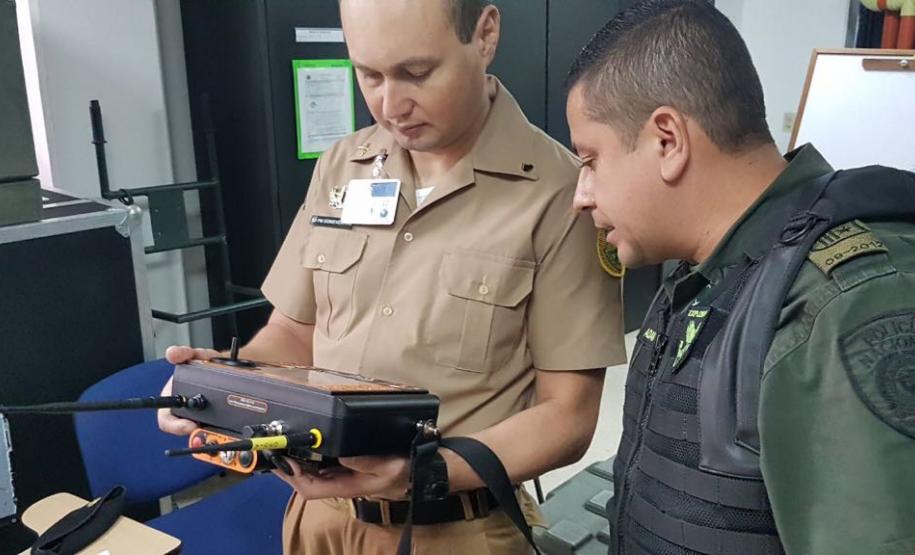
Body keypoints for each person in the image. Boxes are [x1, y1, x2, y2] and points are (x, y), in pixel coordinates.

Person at [160, 0, 626, 553]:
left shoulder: (559, 193)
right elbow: (294, 331)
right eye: (369, 74)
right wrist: (226, 387)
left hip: (454, 527)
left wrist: (422, 472)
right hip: (318, 519)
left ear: (484, 34)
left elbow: (567, 416)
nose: (390, 104)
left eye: (416, 73)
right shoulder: (342, 165)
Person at [566, 1, 915, 554]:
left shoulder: (841, 303)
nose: (582, 196)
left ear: (667, 140)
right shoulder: (710, 274)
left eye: (590, 160)